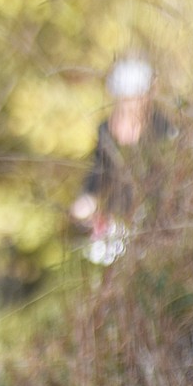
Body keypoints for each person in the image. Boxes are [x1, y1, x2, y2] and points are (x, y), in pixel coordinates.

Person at [70, 56, 175, 265]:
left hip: (156, 225)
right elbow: (98, 172)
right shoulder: (106, 131)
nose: (128, 104)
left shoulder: (163, 130)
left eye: (133, 97)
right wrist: (87, 198)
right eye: (124, 98)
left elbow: (170, 183)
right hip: (118, 226)